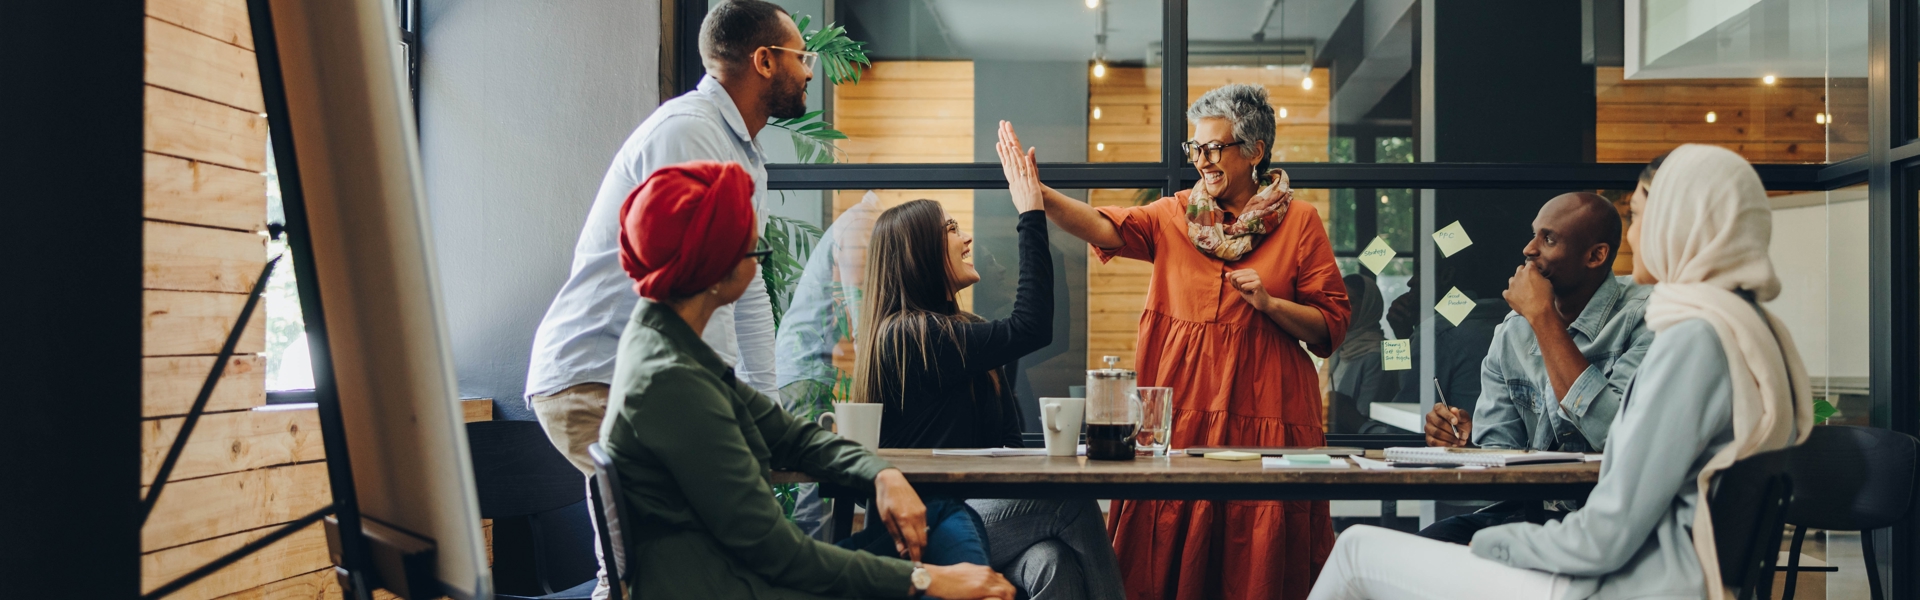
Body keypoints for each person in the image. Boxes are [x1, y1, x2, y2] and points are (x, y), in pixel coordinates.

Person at [1308, 143, 1814, 600]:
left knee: (1355, 550)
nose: (1633, 235)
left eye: (1638, 216)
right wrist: (1469, 445)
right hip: (1640, 566)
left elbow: (1606, 533)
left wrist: (1493, 544)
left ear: (1680, 222)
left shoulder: (1691, 337)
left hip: (1626, 582)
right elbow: (1503, 453)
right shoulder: (1753, 328)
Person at [600, 160, 1017, 600]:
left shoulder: (669, 344)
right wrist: (927, 580)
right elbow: (785, 557)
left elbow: (796, 438)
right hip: (739, 587)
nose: (759, 260)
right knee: (952, 546)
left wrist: (881, 474)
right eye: (752, 250)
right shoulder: (672, 382)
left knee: (946, 518)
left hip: (742, 575)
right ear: (718, 265)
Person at [1008, 82, 1354, 600]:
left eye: (1213, 148)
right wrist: (1037, 197)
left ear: (1255, 151)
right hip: (1179, 413)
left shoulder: (1301, 222)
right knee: (1167, 552)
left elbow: (1332, 328)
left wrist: (1271, 305)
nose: (1201, 161)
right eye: (1195, 149)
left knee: (1256, 556)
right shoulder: (1174, 216)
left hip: (1269, 416)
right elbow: (1104, 228)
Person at [525, 2, 804, 595]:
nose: (809, 73)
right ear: (764, 60)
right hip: (597, 379)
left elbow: (744, 292)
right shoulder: (690, 133)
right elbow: (696, 294)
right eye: (801, 58)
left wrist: (768, 411)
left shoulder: (738, 152)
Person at [846, 129, 1126, 599]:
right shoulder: (909, 335)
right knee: (1072, 500)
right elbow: (1032, 327)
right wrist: (1030, 214)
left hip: (976, 511)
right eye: (951, 229)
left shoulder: (960, 331)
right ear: (917, 254)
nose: (968, 235)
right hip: (927, 526)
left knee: (1050, 563)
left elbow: (1007, 446)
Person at [1412, 191, 1657, 545]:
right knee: (1423, 546)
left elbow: (1615, 436)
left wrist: (1544, 320)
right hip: (1530, 516)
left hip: (1612, 522)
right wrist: (1465, 444)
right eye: (1534, 234)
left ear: (1596, 255)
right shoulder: (1513, 330)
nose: (1529, 249)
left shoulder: (1644, 318)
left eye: (1549, 238)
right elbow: (1499, 460)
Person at [1325, 273, 1398, 434]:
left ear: (1368, 307)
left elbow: (1365, 418)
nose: (1340, 308)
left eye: (1350, 302)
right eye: (1337, 300)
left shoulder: (1377, 355)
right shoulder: (1339, 348)